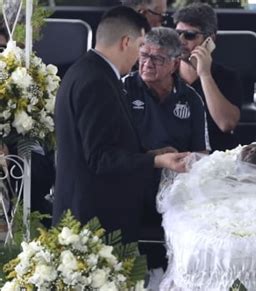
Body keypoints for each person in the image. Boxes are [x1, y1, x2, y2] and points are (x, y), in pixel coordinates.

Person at [53, 6, 188, 243]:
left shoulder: (91, 71)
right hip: (93, 220)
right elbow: (99, 157)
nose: (140, 58)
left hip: (95, 214)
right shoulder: (95, 81)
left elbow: (109, 141)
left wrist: (149, 154)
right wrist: (155, 161)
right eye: (140, 47)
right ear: (126, 42)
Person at [123, 26, 208, 276]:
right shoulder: (123, 90)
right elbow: (113, 152)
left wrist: (188, 159)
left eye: (157, 58)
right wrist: (155, 156)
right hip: (130, 183)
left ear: (174, 63)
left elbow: (202, 153)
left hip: (175, 189)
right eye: (143, 56)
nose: (147, 64)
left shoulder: (191, 99)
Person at [174, 3, 243, 151]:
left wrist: (205, 75)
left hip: (216, 156)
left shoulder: (226, 76)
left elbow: (226, 124)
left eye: (189, 35)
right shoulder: (166, 73)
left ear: (209, 39)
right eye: (177, 33)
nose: (181, 40)